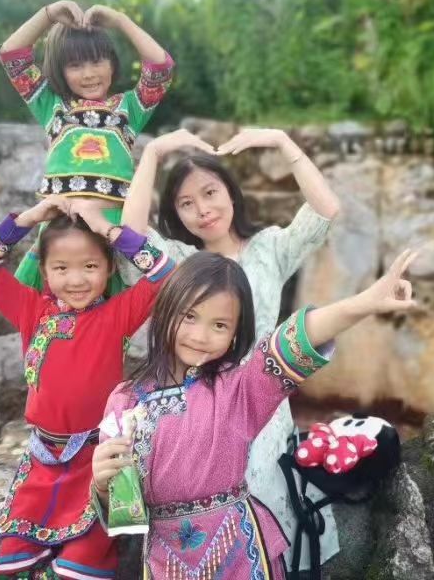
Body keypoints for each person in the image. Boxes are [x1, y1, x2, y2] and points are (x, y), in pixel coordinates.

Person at [92, 247, 418, 578]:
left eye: (220, 325)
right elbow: (124, 511)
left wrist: (365, 302)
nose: (200, 335)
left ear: (236, 333)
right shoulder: (125, 401)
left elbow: (297, 339)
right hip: (166, 563)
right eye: (189, 316)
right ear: (165, 310)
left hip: (240, 554)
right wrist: (103, 487)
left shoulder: (241, 388)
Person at [116, 127, 343, 568]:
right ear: (176, 214)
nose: (202, 209)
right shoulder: (180, 262)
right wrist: (154, 153)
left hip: (261, 395)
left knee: (265, 489)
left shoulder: (269, 248)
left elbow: (325, 210)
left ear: (231, 193)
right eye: (186, 203)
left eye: (210, 192)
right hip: (198, 403)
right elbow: (130, 237)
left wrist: (282, 141)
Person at [0, 196, 174, 579]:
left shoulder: (117, 315)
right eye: (61, 268)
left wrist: (106, 227)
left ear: (110, 267)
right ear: (45, 271)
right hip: (42, 461)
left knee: (80, 567)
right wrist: (29, 219)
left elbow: (164, 273)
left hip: (97, 461)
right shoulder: (31, 310)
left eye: (90, 266)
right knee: (10, 562)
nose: (76, 280)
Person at [0, 0, 174, 292]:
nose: (89, 73)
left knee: (114, 310)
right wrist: (49, 14)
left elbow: (161, 68)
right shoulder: (52, 107)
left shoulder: (130, 109)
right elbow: (11, 55)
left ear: (112, 63)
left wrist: (120, 20)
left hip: (112, 230)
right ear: (61, 70)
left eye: (97, 61)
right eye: (76, 65)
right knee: (51, 305)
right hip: (60, 229)